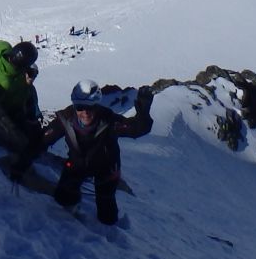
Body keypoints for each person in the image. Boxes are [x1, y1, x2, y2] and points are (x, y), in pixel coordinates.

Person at [11, 80, 153, 225]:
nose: (85, 112)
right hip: (77, 164)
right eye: (80, 107)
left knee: (107, 214)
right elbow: (41, 142)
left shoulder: (109, 121)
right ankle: (71, 216)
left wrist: (143, 108)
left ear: (97, 105)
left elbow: (137, 129)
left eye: (90, 107)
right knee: (62, 198)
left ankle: (110, 236)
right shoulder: (66, 119)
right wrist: (21, 165)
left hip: (107, 168)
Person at [0, 39, 41, 129]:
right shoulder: (9, 83)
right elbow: (15, 104)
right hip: (1, 114)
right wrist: (27, 85)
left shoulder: (1, 48)